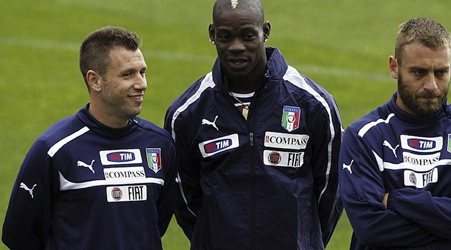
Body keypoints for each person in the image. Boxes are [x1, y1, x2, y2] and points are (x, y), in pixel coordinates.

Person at [163, 0, 343, 249]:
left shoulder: (313, 104)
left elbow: (330, 191)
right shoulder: (187, 113)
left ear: (265, 31)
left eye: (248, 36)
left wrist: (304, 239)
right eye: (225, 37)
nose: (237, 47)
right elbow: (184, 197)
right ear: (212, 34)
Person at [2, 26, 178, 250]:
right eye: (127, 74)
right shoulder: (55, 150)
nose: (142, 84)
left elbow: (155, 224)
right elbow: (19, 235)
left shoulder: (161, 146)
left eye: (142, 72)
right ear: (95, 80)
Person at [339, 17, 451, 250]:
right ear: (394, 67)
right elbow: (371, 227)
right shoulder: (364, 136)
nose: (432, 86)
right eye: (419, 72)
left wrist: (395, 200)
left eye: (441, 72)